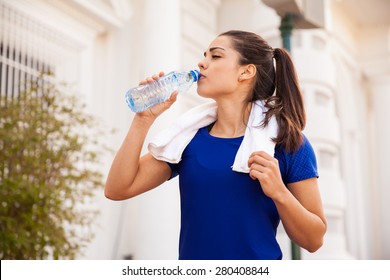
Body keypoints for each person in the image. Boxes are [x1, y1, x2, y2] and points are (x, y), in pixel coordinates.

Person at [105, 30, 327, 260]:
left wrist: (280, 192)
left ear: (246, 71)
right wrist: (143, 120)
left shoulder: (287, 142)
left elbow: (313, 240)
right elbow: (117, 189)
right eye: (204, 56)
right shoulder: (187, 139)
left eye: (216, 56)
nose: (202, 63)